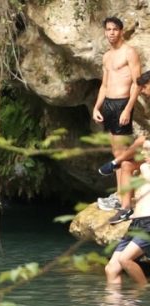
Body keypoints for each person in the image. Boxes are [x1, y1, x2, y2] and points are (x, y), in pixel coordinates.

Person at [92, 16, 141, 224]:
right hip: (109, 105)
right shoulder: (107, 56)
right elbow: (104, 85)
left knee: (122, 157)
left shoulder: (129, 52)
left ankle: (126, 205)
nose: (111, 32)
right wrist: (96, 106)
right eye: (108, 29)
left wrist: (128, 109)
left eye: (115, 29)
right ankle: (120, 197)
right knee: (116, 154)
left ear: (121, 31)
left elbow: (137, 83)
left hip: (122, 104)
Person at [104, 140, 150, 286]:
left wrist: (143, 167)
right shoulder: (145, 169)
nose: (143, 153)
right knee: (111, 269)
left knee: (125, 259)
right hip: (136, 224)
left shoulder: (145, 169)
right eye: (143, 150)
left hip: (149, 224)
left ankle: (144, 291)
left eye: (147, 150)